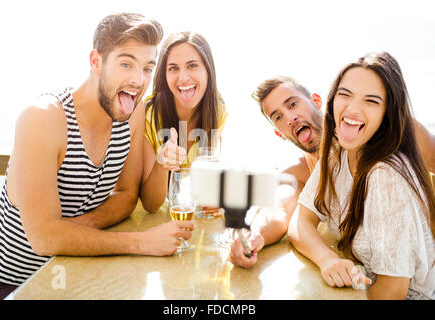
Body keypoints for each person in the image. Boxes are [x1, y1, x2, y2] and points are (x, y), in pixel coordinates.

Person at [0, 13, 194, 300]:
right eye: (125, 64)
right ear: (96, 62)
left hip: (77, 276)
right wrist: (141, 242)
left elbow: (126, 195)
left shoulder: (131, 114)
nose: (138, 80)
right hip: (12, 288)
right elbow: (44, 239)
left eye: (147, 68)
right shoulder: (43, 118)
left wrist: (70, 230)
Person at [230, 74, 435, 268]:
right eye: (278, 117)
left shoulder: (384, 132)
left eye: (293, 104)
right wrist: (254, 235)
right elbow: (279, 210)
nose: (290, 118)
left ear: (317, 101)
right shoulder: (301, 172)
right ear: (279, 133)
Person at [288, 51, 434, 299]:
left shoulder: (385, 175)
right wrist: (327, 260)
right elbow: (300, 221)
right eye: (345, 95)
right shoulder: (338, 152)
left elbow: (392, 293)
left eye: (371, 101)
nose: (352, 109)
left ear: (387, 114)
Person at [141, 31, 228, 213]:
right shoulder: (147, 115)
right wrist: (161, 164)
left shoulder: (218, 109)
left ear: (207, 70)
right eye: (173, 68)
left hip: (190, 220)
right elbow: (150, 205)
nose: (183, 78)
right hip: (152, 222)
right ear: (164, 74)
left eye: (192, 66)